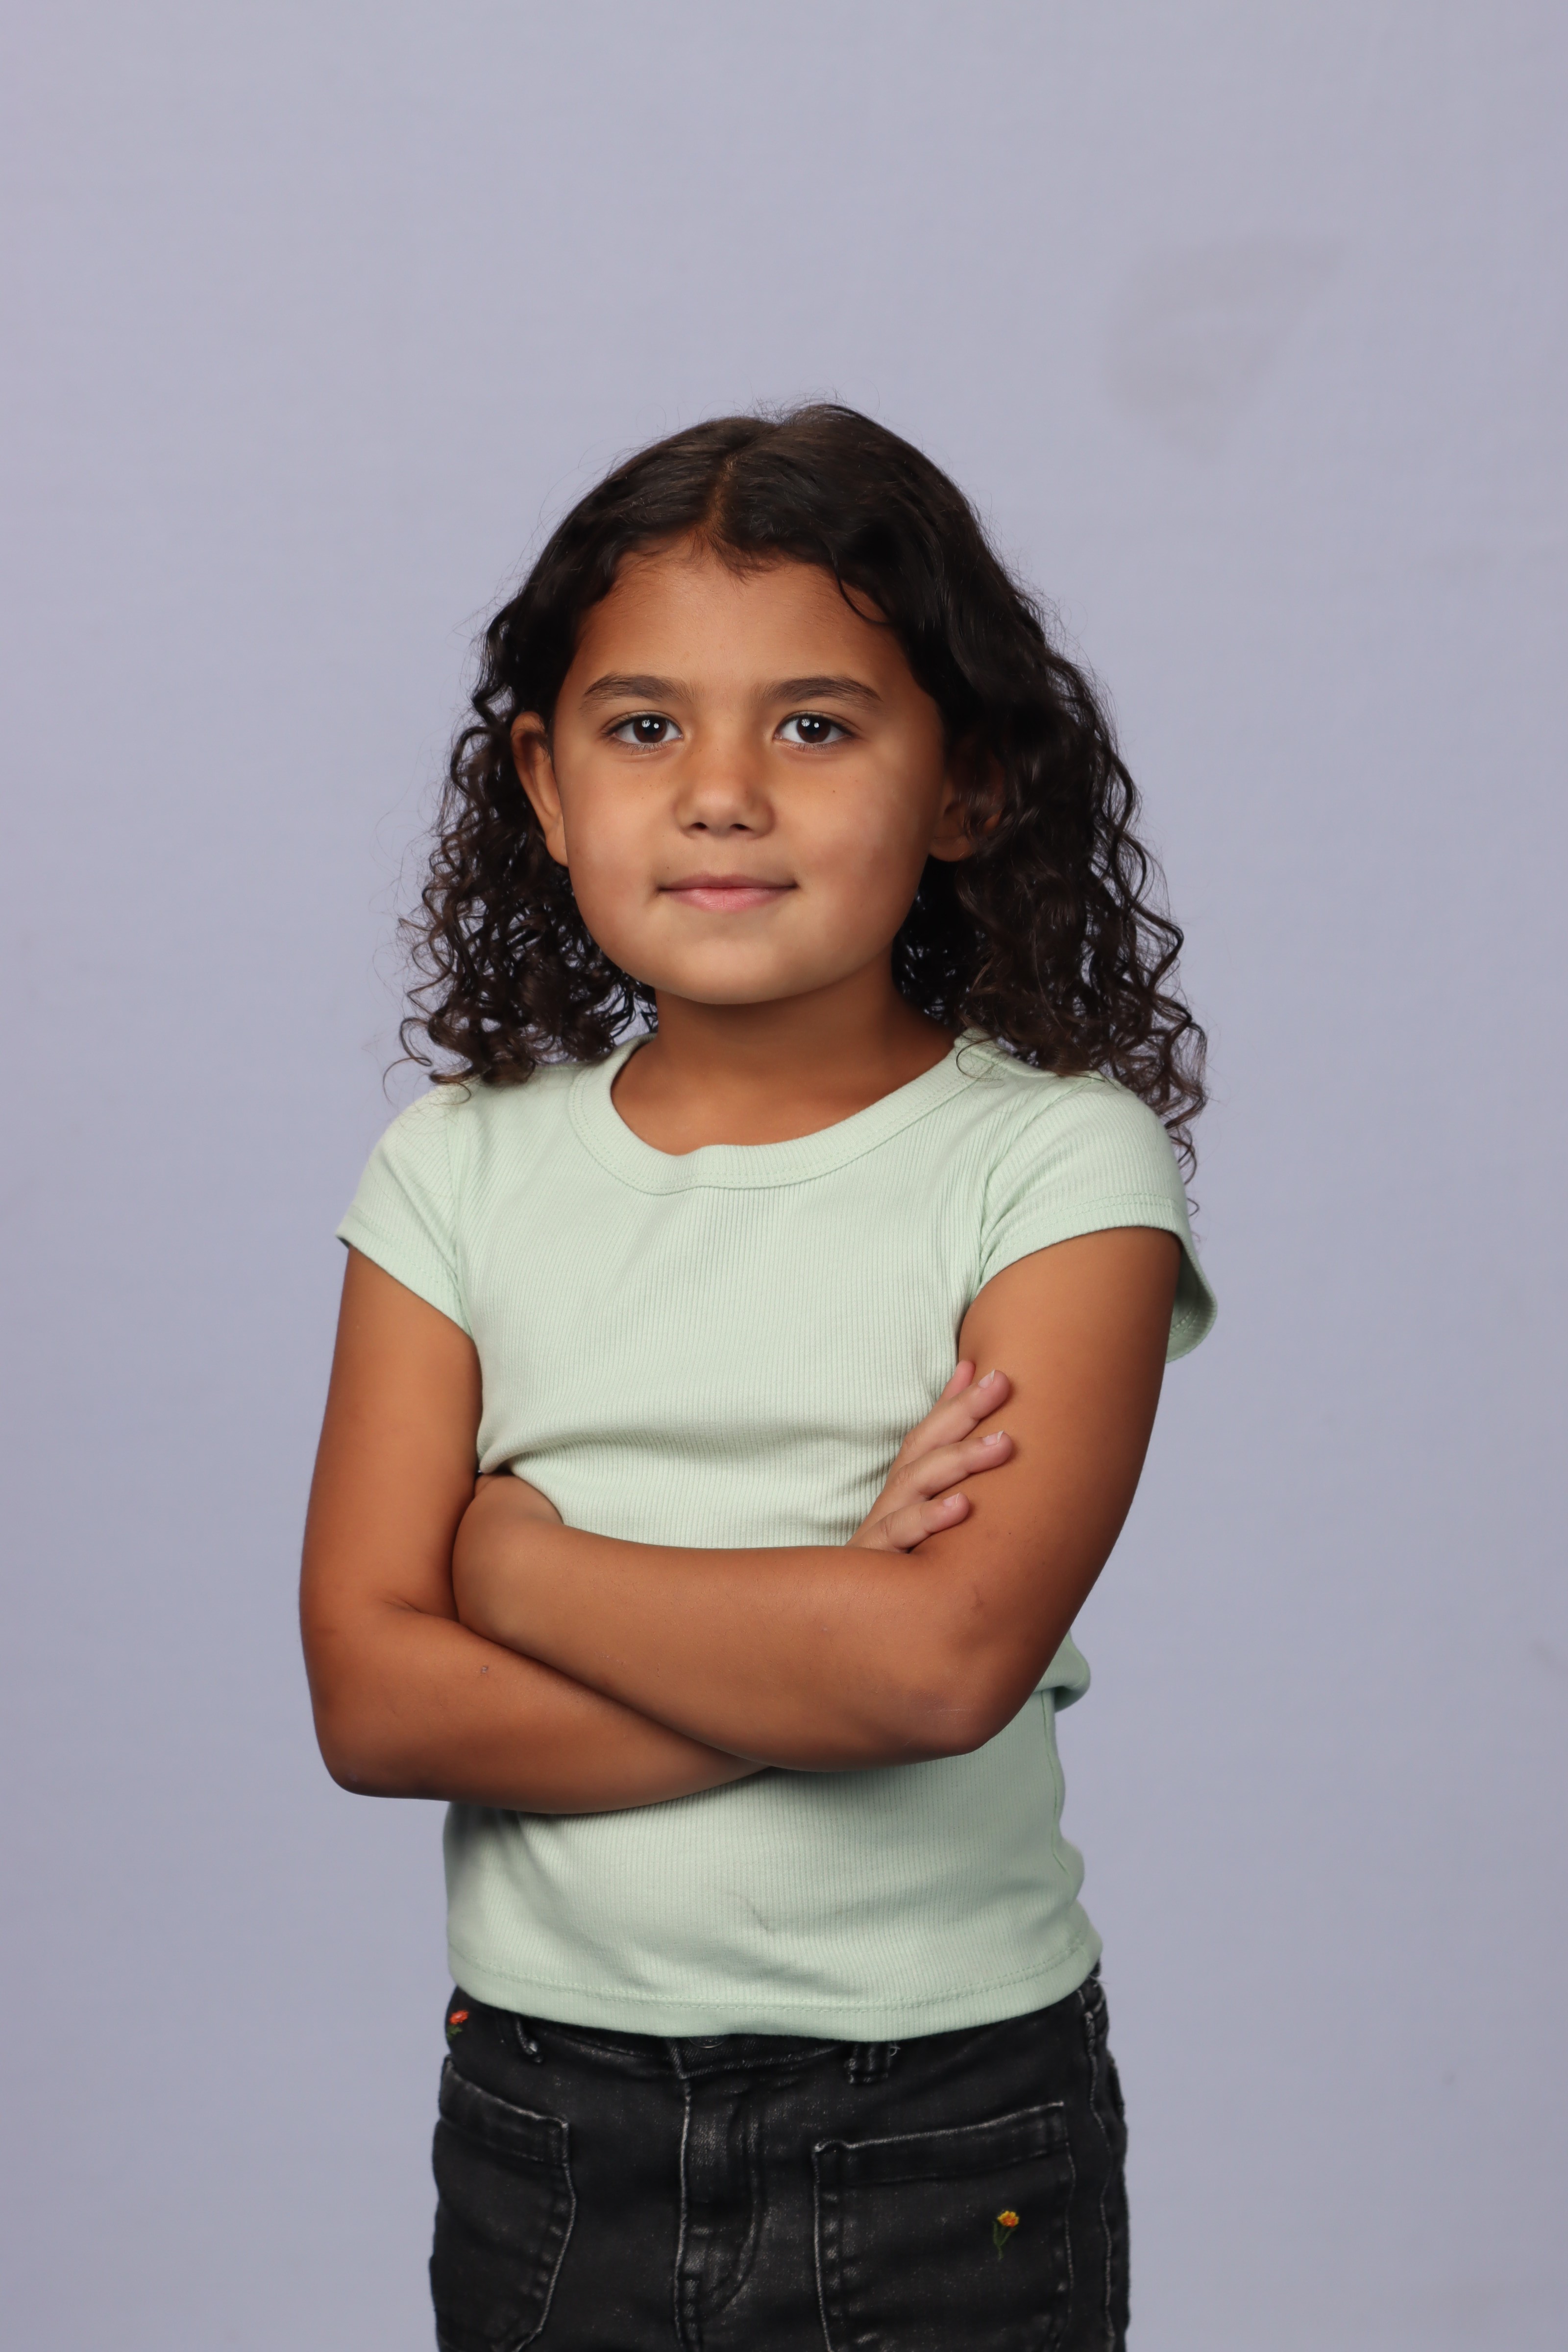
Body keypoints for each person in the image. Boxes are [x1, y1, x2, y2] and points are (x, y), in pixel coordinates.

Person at [301, 404, 1215, 2352]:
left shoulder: (1055, 1169)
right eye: (644, 727)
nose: (721, 794)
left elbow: (934, 1671)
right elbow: (373, 1701)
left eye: (813, 724)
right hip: (551, 2111)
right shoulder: (453, 1173)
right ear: (546, 785)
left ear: (966, 783)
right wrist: (807, 1652)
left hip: (943, 2120)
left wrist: (518, 1567)